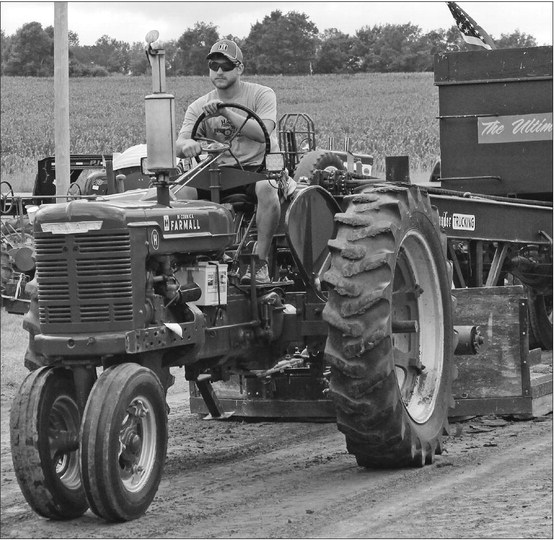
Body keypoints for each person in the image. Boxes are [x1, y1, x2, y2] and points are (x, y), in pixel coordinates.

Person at [175, 39, 280, 285]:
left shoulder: (262, 94)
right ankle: (190, 262)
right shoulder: (198, 106)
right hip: (217, 172)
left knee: (267, 189)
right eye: (214, 65)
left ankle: (260, 263)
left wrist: (225, 112)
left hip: (256, 169)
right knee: (178, 193)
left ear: (240, 68)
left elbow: (263, 132)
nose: (219, 70)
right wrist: (187, 146)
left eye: (226, 65)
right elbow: (180, 144)